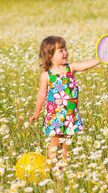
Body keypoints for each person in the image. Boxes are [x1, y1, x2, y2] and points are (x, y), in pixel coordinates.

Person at [29, 36, 100, 168]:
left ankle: (64, 168)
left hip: (69, 114)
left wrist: (99, 58)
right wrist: (37, 112)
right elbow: (41, 94)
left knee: (67, 142)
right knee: (55, 142)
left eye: (65, 49)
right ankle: (52, 167)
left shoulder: (70, 68)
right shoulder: (46, 75)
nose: (65, 52)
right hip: (55, 116)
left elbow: (85, 66)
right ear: (50, 55)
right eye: (61, 50)